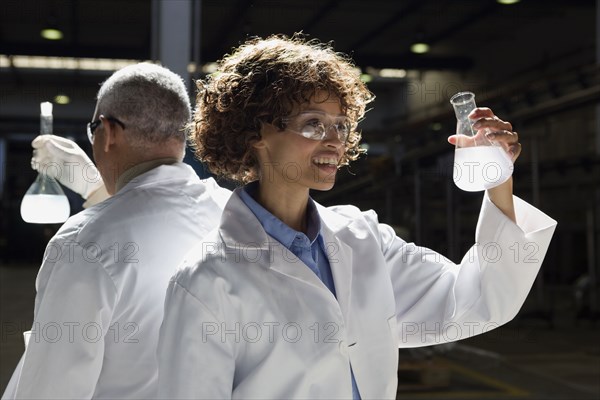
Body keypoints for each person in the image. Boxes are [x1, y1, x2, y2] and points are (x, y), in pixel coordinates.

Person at [156, 34, 557, 399]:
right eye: (313, 124)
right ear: (254, 134)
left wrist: (498, 180)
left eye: (341, 126)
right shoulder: (208, 280)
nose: (334, 140)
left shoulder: (364, 241)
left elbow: (474, 301)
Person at [3, 62, 231, 399]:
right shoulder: (232, 212)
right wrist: (97, 194)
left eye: (94, 128)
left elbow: (51, 389)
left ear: (108, 132)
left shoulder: (82, 243)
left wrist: (101, 208)